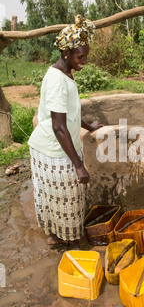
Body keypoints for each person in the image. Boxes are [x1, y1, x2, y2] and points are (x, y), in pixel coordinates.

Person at [28, 15, 103, 247]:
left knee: (59, 199)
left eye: (86, 56)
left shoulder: (65, 73)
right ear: (65, 53)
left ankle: (58, 236)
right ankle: (62, 239)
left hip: (56, 148)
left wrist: (89, 126)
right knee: (64, 198)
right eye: (80, 57)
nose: (84, 61)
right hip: (52, 151)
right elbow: (59, 127)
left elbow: (69, 113)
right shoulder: (57, 81)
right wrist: (79, 165)